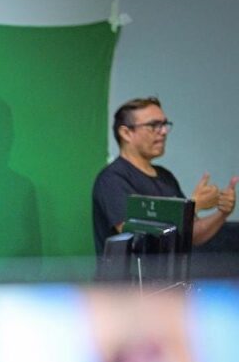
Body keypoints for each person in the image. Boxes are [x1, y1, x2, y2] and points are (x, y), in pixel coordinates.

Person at [92, 97, 235, 255]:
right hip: (130, 272)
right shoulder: (112, 179)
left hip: (172, 271)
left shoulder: (165, 176)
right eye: (153, 125)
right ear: (126, 133)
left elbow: (192, 235)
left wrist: (222, 213)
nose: (164, 131)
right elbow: (138, 237)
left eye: (164, 124)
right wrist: (192, 206)